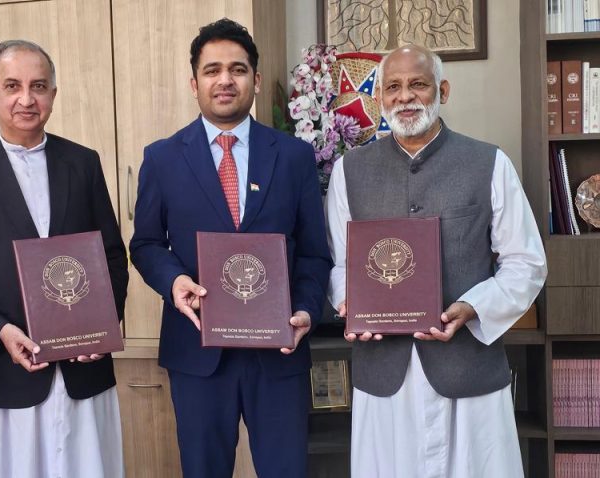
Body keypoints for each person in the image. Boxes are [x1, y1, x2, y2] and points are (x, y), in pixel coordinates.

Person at [325, 44, 547, 477]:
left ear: (442, 90)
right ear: (380, 98)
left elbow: (526, 262)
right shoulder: (348, 171)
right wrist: (349, 303)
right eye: (393, 87)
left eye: (418, 84)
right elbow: (338, 264)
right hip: (384, 374)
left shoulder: (490, 163)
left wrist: (474, 307)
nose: (405, 96)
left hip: (468, 371)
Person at [129, 18, 332, 478]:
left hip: (279, 350)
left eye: (237, 70)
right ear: (194, 83)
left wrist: (305, 309)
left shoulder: (294, 156)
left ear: (255, 80)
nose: (225, 80)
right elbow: (145, 244)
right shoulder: (162, 158)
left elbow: (314, 252)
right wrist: (174, 282)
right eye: (212, 70)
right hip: (198, 353)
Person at [0, 39, 128, 478]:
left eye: (38, 86)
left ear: (53, 93)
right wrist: (0, 331)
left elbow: (111, 256)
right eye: (12, 86)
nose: (26, 99)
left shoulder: (83, 163)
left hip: (81, 376)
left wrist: (101, 328)